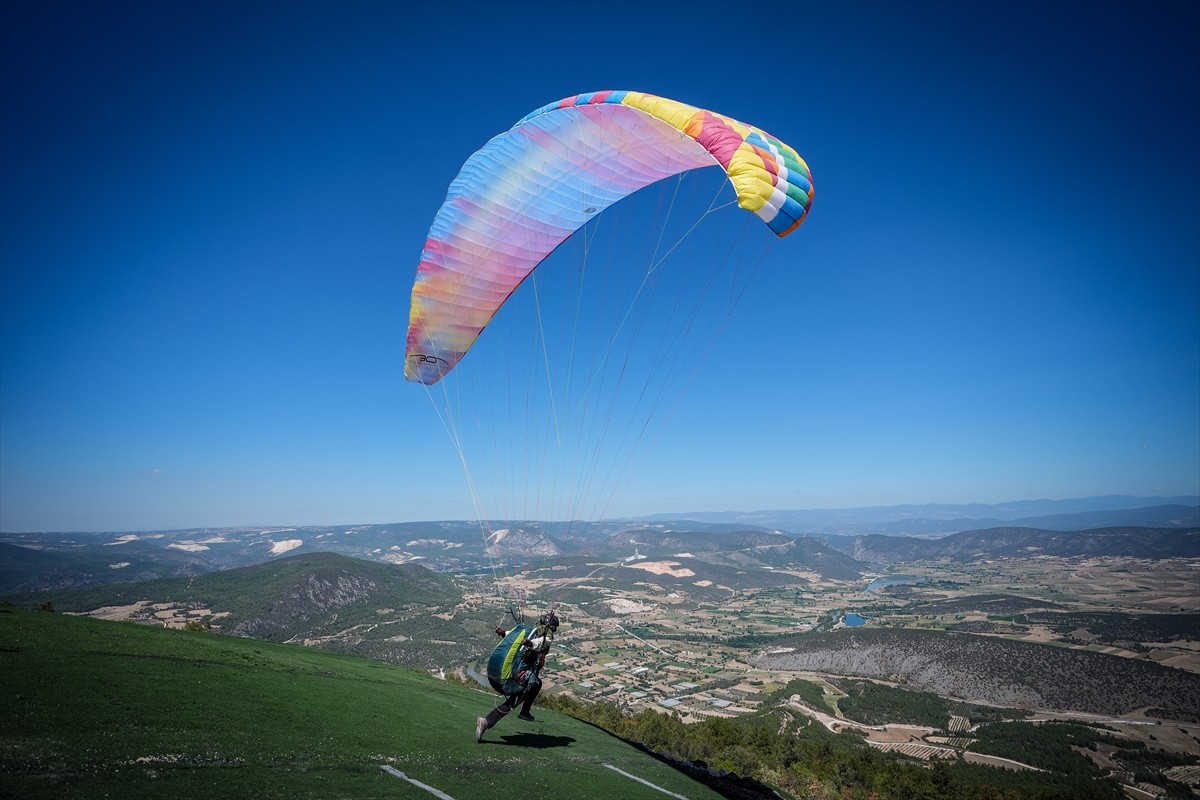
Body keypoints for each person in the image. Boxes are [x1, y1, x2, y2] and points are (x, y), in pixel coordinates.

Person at [475, 611, 559, 742]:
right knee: (516, 699)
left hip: (494, 676)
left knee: (537, 684)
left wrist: (503, 633)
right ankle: (486, 721)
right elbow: (539, 643)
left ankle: (524, 712)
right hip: (508, 679)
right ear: (552, 627)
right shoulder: (544, 638)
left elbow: (511, 637)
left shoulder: (529, 630)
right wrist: (530, 644)